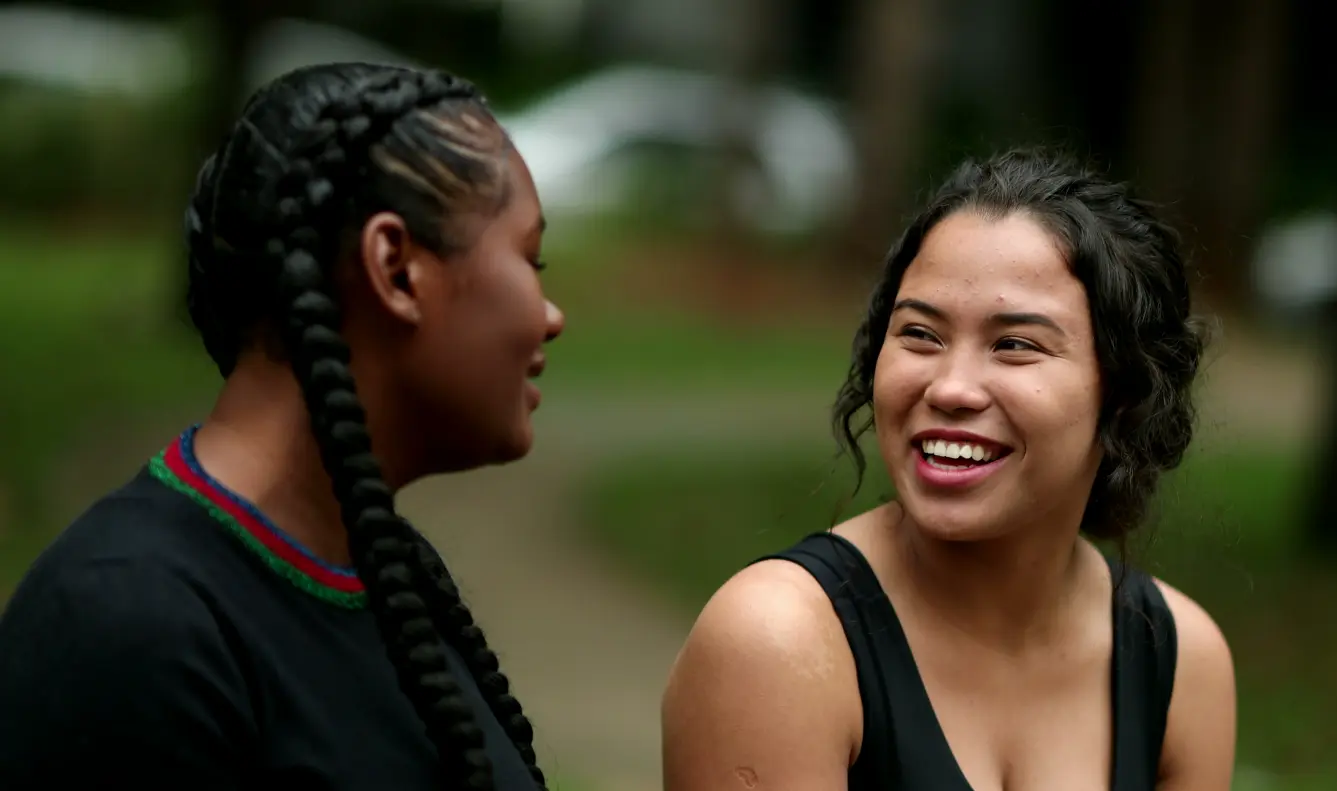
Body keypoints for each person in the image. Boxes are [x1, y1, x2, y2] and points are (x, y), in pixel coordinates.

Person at [0, 62, 564, 790]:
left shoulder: (391, 581)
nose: (550, 315)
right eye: (530, 257)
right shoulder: (128, 625)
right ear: (395, 269)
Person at [662, 148, 1235, 791]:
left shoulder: (1179, 661)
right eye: (920, 335)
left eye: (1014, 345)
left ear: (1126, 393)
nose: (951, 387)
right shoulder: (780, 643)